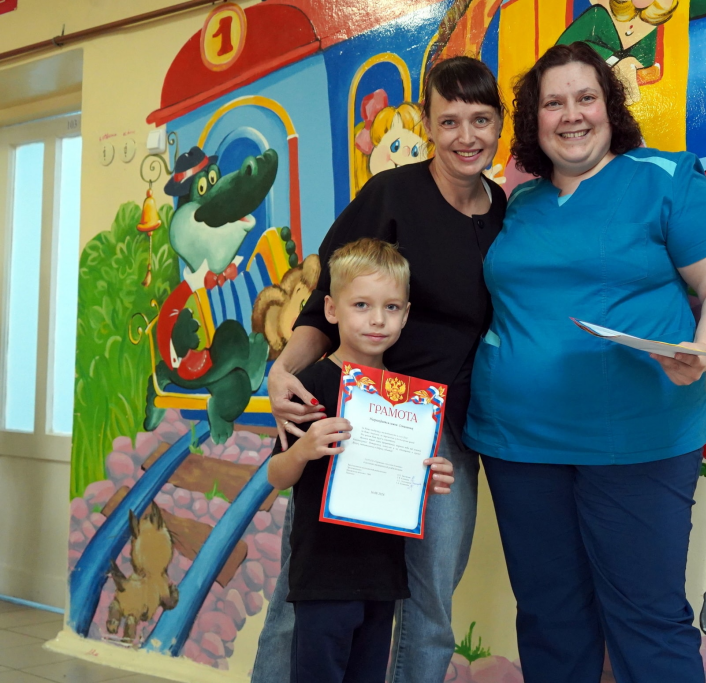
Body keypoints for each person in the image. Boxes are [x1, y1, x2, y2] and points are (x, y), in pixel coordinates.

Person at [462, 42, 706, 683]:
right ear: (534, 119)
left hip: (637, 440)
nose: (572, 115)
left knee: (646, 618)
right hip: (518, 445)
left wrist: (702, 350)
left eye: (585, 98)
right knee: (549, 616)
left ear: (609, 106)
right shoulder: (522, 203)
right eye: (553, 103)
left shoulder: (667, 179)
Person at [252, 56, 507, 683]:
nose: (466, 136)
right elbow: (326, 299)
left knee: (429, 602)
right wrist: (283, 371)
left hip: (448, 427)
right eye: (449, 121)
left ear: (500, 125)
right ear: (428, 124)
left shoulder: (504, 208)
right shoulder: (393, 193)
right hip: (360, 412)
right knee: (307, 594)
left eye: (480, 120)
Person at [267, 238, 456, 683]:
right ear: (331, 310)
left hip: (381, 578)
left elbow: (400, 480)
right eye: (361, 305)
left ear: (406, 315)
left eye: (391, 308)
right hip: (322, 576)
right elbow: (276, 474)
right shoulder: (311, 384)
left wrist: (426, 480)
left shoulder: (411, 399)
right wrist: (304, 449)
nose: (377, 319)